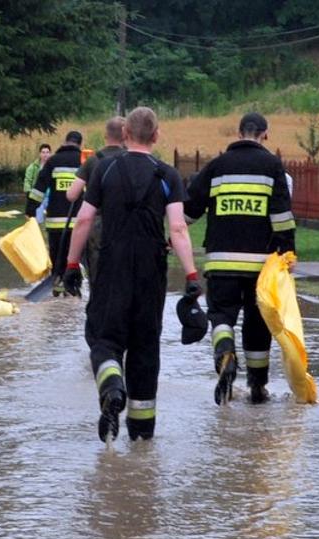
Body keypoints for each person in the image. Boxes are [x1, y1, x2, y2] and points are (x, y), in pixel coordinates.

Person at [64, 107, 199, 443]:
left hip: (111, 268)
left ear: (125, 135)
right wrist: (192, 273)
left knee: (104, 338)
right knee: (144, 348)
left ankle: (111, 384)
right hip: (151, 272)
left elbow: (83, 220)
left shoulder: (105, 168)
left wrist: (70, 265)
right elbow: (179, 228)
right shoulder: (167, 175)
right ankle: (141, 435)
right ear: (156, 136)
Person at [183, 112, 295, 405]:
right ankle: (257, 388)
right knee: (257, 325)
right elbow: (282, 217)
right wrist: (287, 256)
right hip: (261, 266)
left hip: (221, 263)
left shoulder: (217, 166)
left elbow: (190, 210)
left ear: (238, 132)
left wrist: (173, 235)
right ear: (265, 135)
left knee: (221, 317)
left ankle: (225, 355)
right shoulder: (272, 166)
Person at [68, 116, 126, 274]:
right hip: (126, 225)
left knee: (98, 275)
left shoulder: (93, 161)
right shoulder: (132, 160)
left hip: (98, 226)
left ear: (106, 135)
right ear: (126, 135)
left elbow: (72, 194)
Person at [33, 132, 87, 296]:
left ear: (65, 142)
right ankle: (73, 288)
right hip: (79, 223)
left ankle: (57, 287)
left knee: (57, 257)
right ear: (80, 144)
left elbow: (39, 188)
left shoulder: (53, 161)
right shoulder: (85, 163)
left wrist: (30, 210)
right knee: (75, 258)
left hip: (55, 223)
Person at [23, 143, 51, 215]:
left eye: (47, 152)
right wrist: (28, 191)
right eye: (43, 152)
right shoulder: (32, 167)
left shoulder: (53, 166)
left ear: (50, 154)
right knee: (38, 217)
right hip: (38, 195)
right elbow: (27, 180)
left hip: (50, 196)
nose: (45, 154)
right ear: (40, 154)